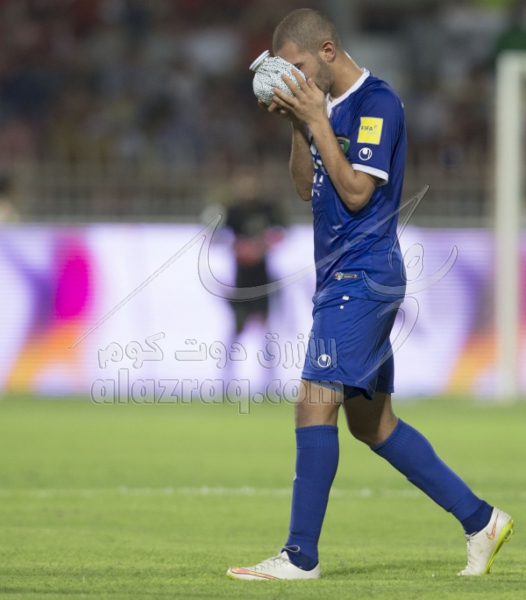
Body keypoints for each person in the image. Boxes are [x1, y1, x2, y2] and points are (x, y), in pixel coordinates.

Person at [227, 8, 514, 581]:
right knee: (373, 424)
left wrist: (316, 118)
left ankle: (300, 556)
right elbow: (305, 187)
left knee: (314, 399)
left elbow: (357, 193)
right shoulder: (323, 107)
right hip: (340, 276)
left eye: (298, 66)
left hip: (363, 275)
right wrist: (299, 123)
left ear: (327, 51)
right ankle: (481, 520)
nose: (294, 78)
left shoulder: (377, 103)